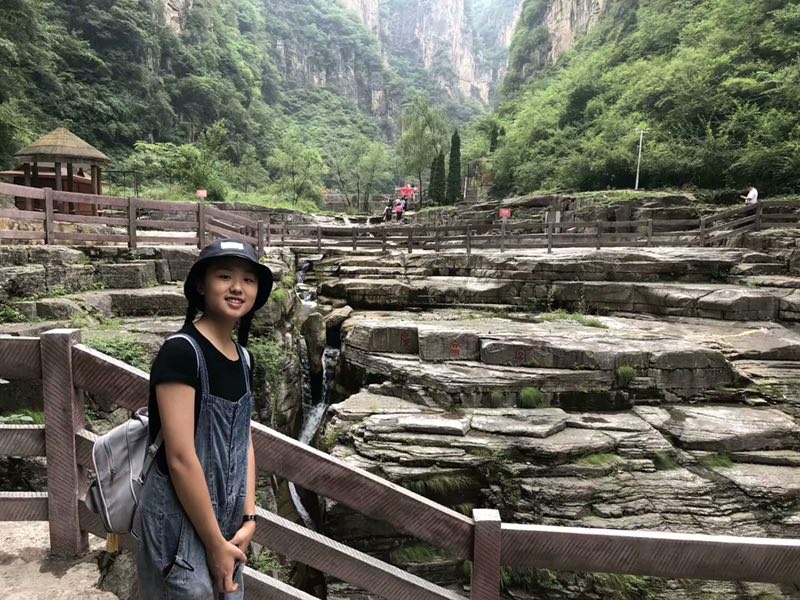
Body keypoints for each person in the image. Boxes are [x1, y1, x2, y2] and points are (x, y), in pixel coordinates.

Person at [134, 238, 273, 599]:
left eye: (248, 279)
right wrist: (214, 544)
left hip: (228, 520)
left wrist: (249, 517)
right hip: (177, 521)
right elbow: (180, 458)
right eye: (224, 276)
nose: (237, 287)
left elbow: (243, 440)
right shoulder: (182, 352)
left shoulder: (244, 358)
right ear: (201, 285)